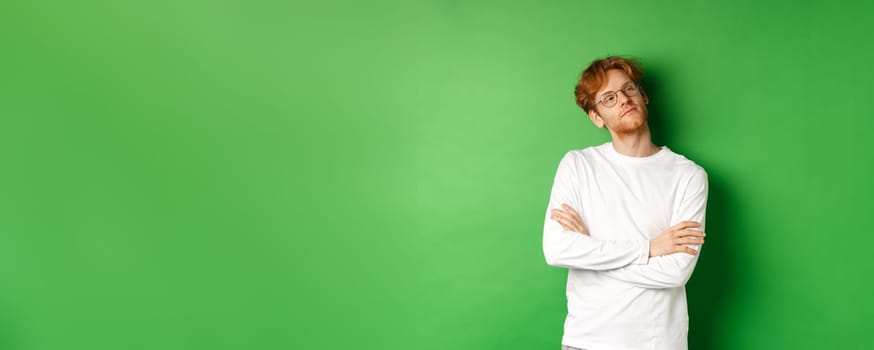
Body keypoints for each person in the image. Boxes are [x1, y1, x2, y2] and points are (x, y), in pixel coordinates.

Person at [543, 56, 709, 350]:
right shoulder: (578, 165)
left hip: (659, 343)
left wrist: (589, 252)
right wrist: (649, 248)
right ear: (596, 117)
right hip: (587, 341)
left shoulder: (688, 176)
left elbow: (676, 272)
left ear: (642, 96)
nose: (622, 99)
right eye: (608, 98)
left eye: (628, 89)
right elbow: (557, 249)